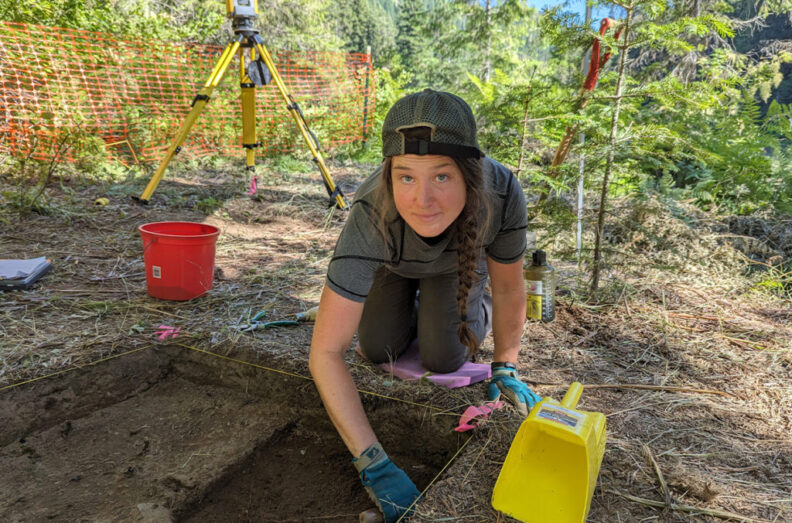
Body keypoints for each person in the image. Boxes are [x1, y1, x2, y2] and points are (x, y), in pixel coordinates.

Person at [308, 89, 541, 522]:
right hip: (391, 269)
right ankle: (413, 308)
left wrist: (505, 365)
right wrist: (373, 465)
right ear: (389, 173)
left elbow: (510, 288)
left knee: (444, 356)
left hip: (458, 266)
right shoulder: (370, 210)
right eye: (406, 177)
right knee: (377, 349)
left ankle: (467, 307)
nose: (422, 199)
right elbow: (324, 352)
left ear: (469, 173)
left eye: (442, 176)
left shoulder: (502, 193)